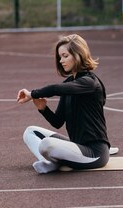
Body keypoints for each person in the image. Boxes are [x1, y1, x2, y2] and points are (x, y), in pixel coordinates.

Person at [17, 34, 112, 174]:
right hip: (76, 146)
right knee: (30, 132)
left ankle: (50, 162)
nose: (61, 60)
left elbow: (55, 89)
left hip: (94, 153)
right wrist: (43, 109)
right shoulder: (69, 83)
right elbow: (57, 122)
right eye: (60, 57)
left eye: (65, 56)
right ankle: (49, 162)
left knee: (46, 144)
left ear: (78, 55)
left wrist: (32, 94)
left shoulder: (90, 82)